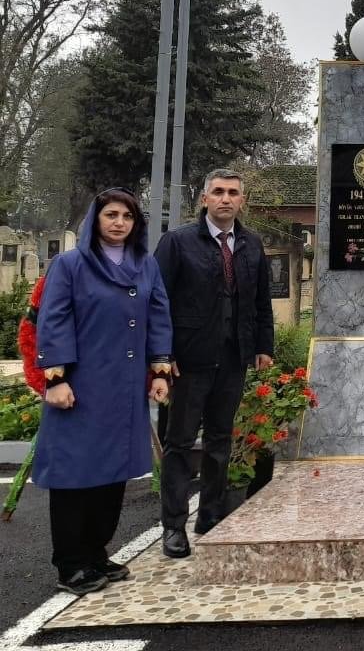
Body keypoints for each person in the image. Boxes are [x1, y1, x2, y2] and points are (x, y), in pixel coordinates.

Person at [31, 188, 172, 595]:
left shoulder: (145, 266)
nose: (118, 223)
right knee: (76, 475)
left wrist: (159, 370)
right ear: (96, 219)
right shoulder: (71, 264)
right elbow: (53, 319)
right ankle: (70, 563)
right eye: (111, 214)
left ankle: (96, 553)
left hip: (124, 387)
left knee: (112, 473)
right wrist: (55, 381)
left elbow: (159, 315)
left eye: (127, 217)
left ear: (136, 223)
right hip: (80, 386)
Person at [155, 169, 274, 560]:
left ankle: (209, 516)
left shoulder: (252, 245)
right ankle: (173, 526)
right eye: (218, 192)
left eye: (233, 193)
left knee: (221, 439)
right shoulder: (177, 243)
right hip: (188, 360)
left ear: (242, 201)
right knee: (180, 443)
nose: (226, 199)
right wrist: (162, 354)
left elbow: (260, 303)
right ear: (204, 198)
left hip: (233, 357)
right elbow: (159, 302)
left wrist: (262, 346)